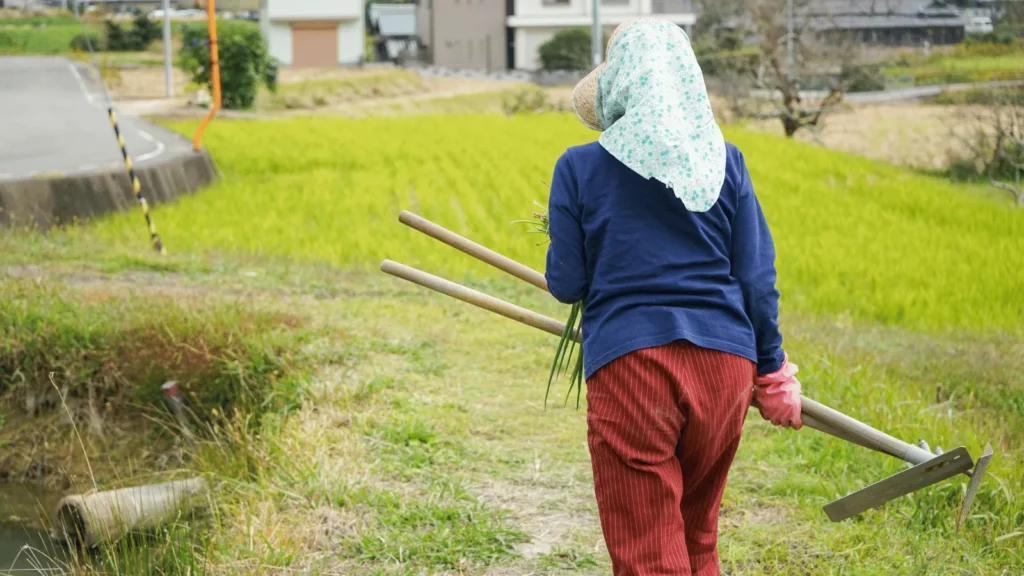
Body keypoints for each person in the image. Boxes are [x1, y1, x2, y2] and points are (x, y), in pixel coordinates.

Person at [544, 18, 803, 576]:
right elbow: (756, 280)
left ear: (619, 88)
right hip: (725, 368)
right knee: (696, 535)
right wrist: (773, 371)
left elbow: (566, 283)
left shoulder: (578, 167)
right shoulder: (726, 161)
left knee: (648, 548)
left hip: (633, 367)